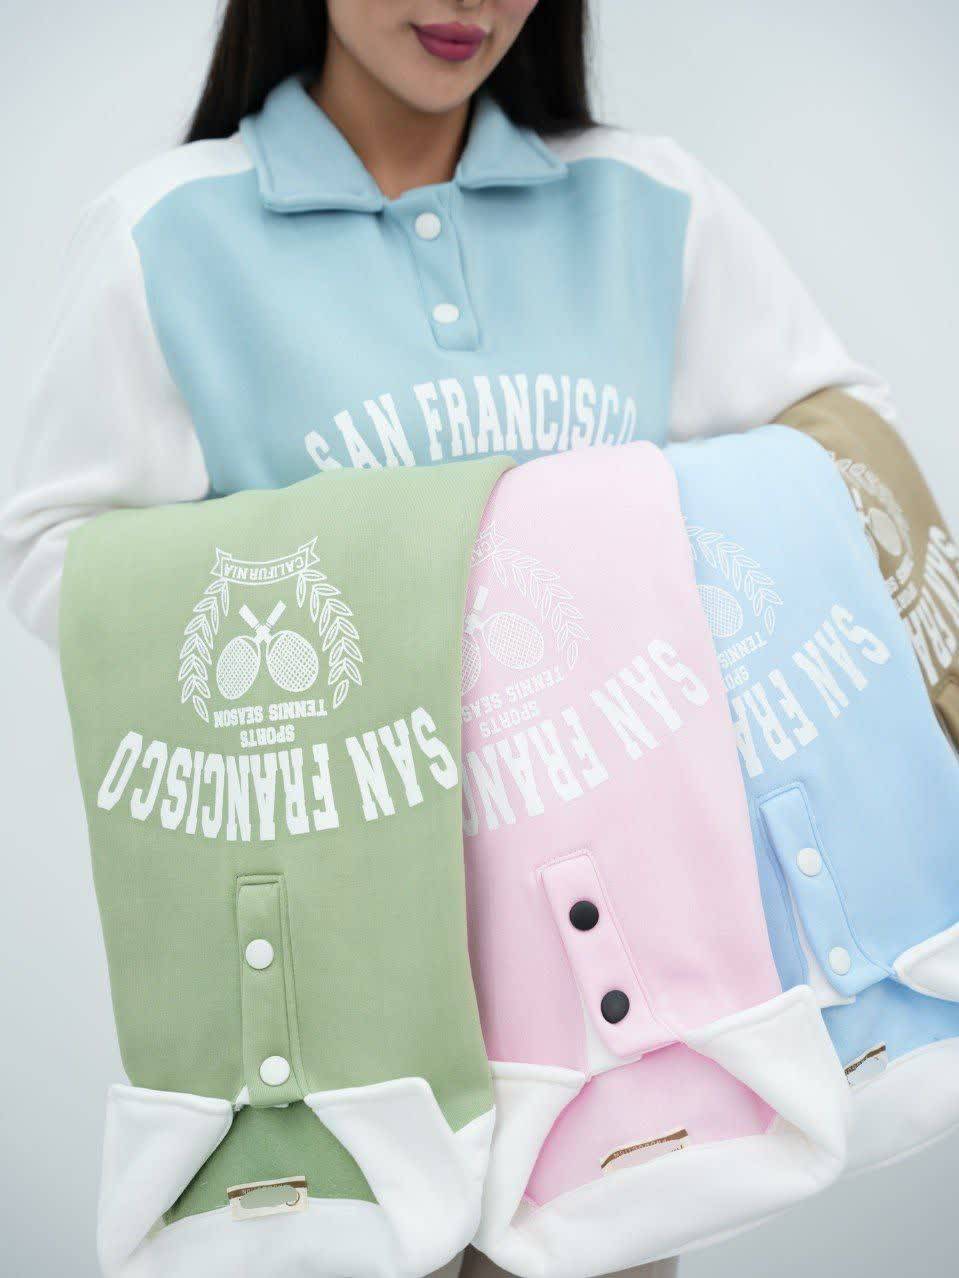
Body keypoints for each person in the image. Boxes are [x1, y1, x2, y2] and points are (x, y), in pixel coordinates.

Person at [0, 2, 902, 1275]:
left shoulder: (647, 201)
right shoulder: (165, 231)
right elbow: (58, 557)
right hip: (338, 1010)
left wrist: (628, 572)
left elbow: (840, 455)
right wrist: (397, 581)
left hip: (621, 1001)